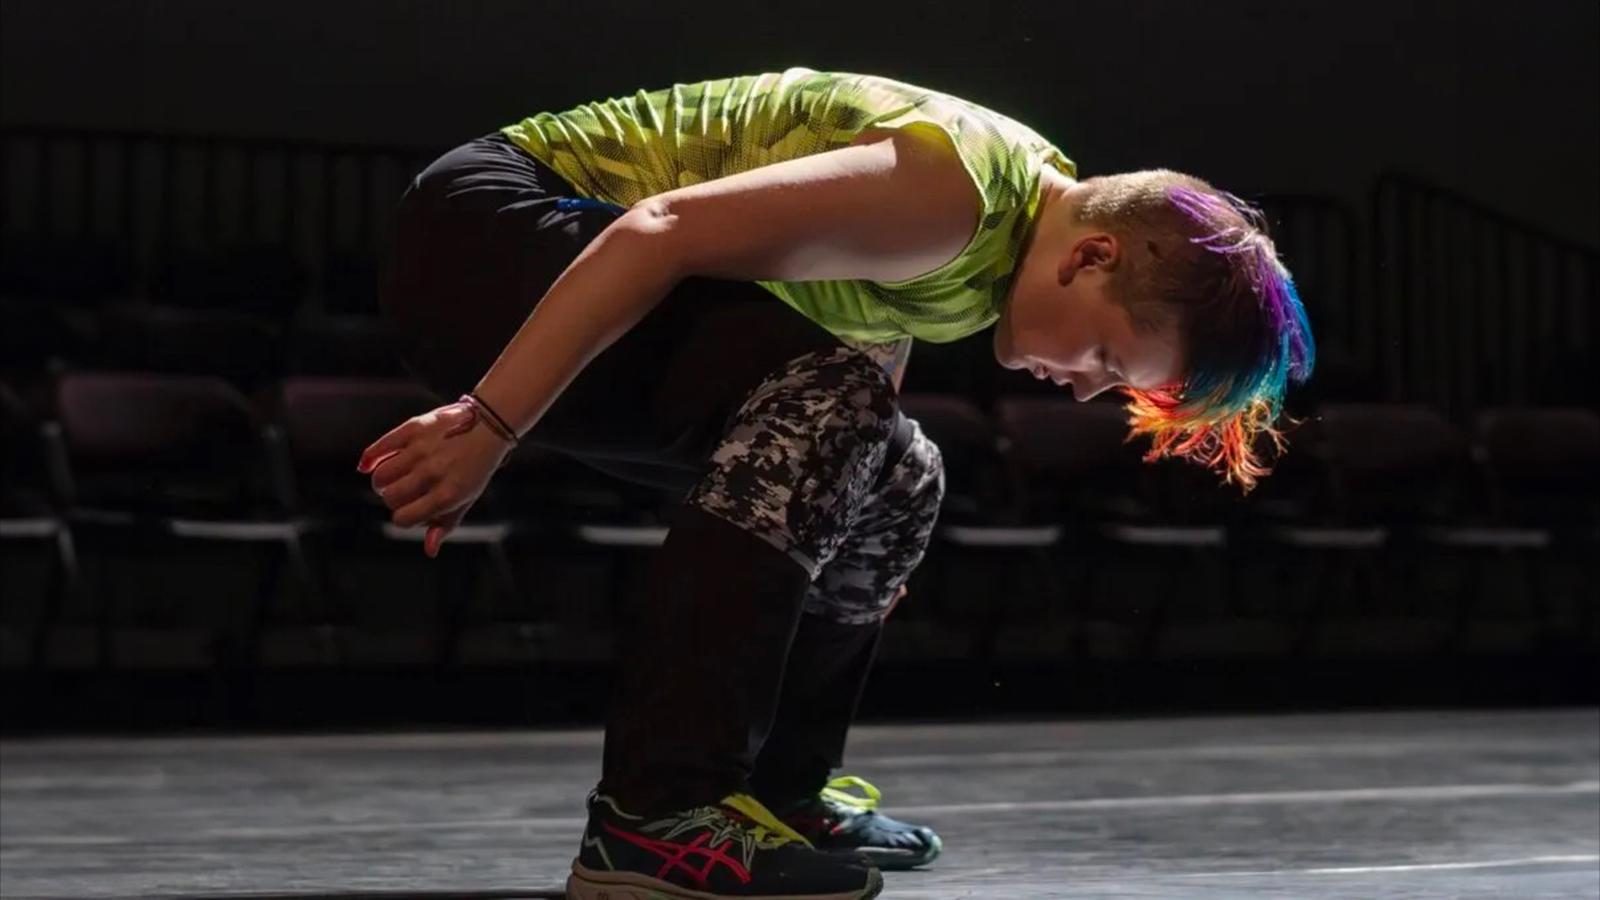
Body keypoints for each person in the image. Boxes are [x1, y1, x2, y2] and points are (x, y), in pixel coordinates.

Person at [358, 67, 1315, 900]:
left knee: (903, 469)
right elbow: (661, 228)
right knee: (845, 407)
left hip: (559, 263)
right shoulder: (952, 193)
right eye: (1107, 355)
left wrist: (854, 511)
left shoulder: (994, 241)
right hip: (488, 232)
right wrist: (489, 423)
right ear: (1092, 255)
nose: (1086, 387)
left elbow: (855, 350)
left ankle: (780, 796)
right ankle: (659, 814)